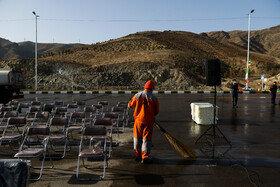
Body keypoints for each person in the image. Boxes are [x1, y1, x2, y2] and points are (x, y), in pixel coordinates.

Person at [128, 80, 159, 164]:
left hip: (138, 121)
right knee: (146, 139)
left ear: (145, 87)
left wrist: (130, 102)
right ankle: (145, 158)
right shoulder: (154, 98)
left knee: (137, 138)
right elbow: (156, 111)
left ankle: (137, 155)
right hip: (148, 122)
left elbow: (130, 106)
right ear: (152, 89)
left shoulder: (137, 95)